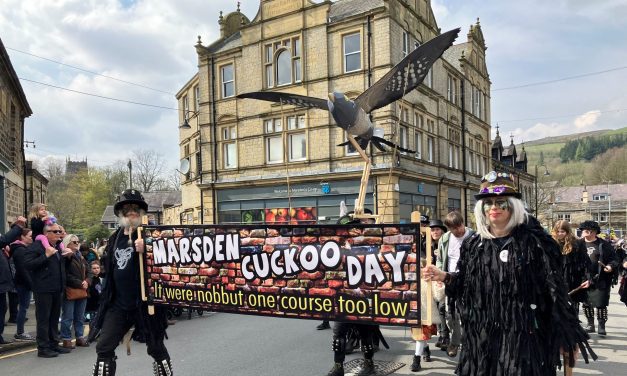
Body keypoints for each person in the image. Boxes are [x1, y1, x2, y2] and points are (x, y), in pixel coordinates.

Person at [422, 171, 595, 375]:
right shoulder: (473, 245)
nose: (494, 207)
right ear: (481, 208)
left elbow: (554, 292)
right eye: (488, 203)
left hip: (524, 338)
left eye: (501, 202)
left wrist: (566, 334)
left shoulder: (534, 244)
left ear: (513, 205)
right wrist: (444, 276)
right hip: (483, 339)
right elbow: (466, 285)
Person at [90, 189, 172, 376]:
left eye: (136, 208)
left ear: (142, 212)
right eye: (127, 208)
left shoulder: (153, 235)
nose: (132, 211)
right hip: (119, 304)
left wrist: (149, 248)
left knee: (156, 348)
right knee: (104, 347)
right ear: (120, 212)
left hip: (146, 304)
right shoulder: (114, 238)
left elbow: (169, 260)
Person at [326, 209, 381, 376]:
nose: (346, 233)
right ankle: (338, 365)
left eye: (350, 229)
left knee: (365, 332)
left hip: (363, 297)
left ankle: (369, 362)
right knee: (338, 332)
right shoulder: (335, 248)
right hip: (342, 297)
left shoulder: (366, 246)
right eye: (344, 230)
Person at [23, 222, 71, 358]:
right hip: (43, 289)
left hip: (57, 288)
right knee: (44, 319)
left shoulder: (57, 247)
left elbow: (61, 268)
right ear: (46, 233)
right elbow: (28, 265)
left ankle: (54, 344)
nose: (59, 234)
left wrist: (68, 258)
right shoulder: (37, 247)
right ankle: (43, 348)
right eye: (55, 232)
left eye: (59, 231)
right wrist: (46, 256)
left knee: (54, 318)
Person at [434, 211, 474, 357]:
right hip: (450, 279)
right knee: (450, 314)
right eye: (454, 229)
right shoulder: (444, 239)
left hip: (469, 281)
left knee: (468, 313)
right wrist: (439, 274)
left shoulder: (474, 237)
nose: (458, 230)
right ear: (449, 229)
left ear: (463, 223)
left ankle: (467, 343)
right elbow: (440, 259)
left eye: (460, 226)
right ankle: (455, 341)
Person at [578, 220, 618, 336]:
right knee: (586, 303)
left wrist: (610, 266)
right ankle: (590, 325)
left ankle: (601, 326)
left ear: (594, 232)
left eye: (589, 231)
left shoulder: (604, 244)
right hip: (584, 278)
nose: (586, 233)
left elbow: (614, 259)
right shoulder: (579, 244)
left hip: (601, 278)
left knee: (601, 303)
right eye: (585, 230)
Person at [410, 259, 446, 372]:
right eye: (417, 266)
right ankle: (426, 350)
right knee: (420, 337)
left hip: (426, 313)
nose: (419, 269)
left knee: (420, 337)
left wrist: (440, 286)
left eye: (421, 266)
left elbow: (438, 297)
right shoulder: (411, 279)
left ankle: (416, 360)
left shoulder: (430, 280)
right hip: (414, 313)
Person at [551, 220, 591, 315]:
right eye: (558, 231)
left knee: (573, 309)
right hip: (555, 280)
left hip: (573, 280)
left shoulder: (577, 244)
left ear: (567, 232)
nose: (560, 234)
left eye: (562, 231)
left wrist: (587, 278)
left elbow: (585, 262)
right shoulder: (551, 243)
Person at [60, 234, 90, 348]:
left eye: (78, 241)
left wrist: (87, 281)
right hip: (70, 290)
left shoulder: (80, 256)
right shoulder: (65, 256)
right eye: (74, 242)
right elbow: (65, 275)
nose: (77, 244)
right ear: (67, 243)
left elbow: (89, 270)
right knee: (68, 316)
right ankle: (66, 339)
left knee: (80, 316)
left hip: (82, 289)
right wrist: (80, 283)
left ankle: (79, 337)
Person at [10, 228, 36, 341]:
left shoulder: (23, 248)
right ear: (22, 237)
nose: (32, 238)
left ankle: (20, 332)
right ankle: (20, 332)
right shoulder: (20, 250)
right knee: (23, 308)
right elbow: (23, 269)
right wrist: (31, 284)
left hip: (24, 282)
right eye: (30, 236)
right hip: (23, 283)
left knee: (23, 307)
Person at [428, 219, 448, 354]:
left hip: (445, 278)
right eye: (432, 230)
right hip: (431, 281)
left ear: (442, 231)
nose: (434, 232)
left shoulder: (447, 243)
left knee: (443, 308)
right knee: (436, 308)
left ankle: (445, 336)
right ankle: (442, 335)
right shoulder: (427, 244)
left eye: (437, 229)